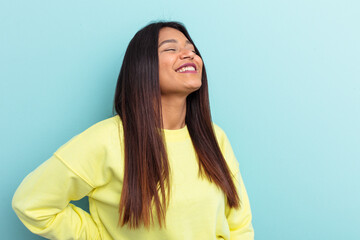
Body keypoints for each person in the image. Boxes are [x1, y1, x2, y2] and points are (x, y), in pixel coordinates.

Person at [12, 21, 254, 240]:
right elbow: (31, 204)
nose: (189, 54)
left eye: (192, 48)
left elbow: (240, 225)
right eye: (171, 48)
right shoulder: (107, 140)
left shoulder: (214, 137)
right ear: (143, 66)